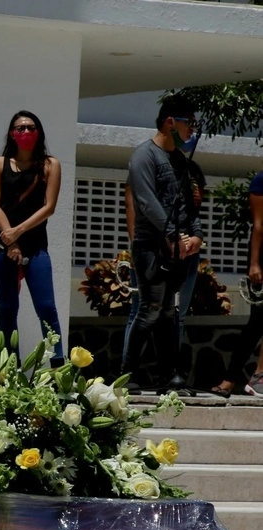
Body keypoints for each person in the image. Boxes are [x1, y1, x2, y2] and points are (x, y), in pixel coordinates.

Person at [120, 96, 204, 393]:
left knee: (169, 310)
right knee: (150, 308)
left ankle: (169, 376)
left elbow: (187, 206)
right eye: (188, 123)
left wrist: (195, 235)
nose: (192, 130)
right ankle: (127, 375)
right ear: (171, 122)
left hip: (177, 246)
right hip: (150, 246)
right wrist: (171, 236)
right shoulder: (144, 156)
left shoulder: (180, 160)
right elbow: (146, 201)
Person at [0, 110, 64, 366]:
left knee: (46, 308)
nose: (26, 132)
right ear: (12, 134)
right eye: (20, 128)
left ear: (39, 132)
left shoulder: (50, 165)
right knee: (7, 310)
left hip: (35, 246)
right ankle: (10, 369)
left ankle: (57, 368)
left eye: (31, 127)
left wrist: (17, 232)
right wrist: (10, 239)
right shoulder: (0, 163)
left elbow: (48, 207)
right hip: (1, 246)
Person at [212, 170, 263, 398]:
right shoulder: (261, 181)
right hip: (262, 259)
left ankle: (256, 377)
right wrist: (254, 264)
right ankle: (234, 378)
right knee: (257, 322)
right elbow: (259, 225)